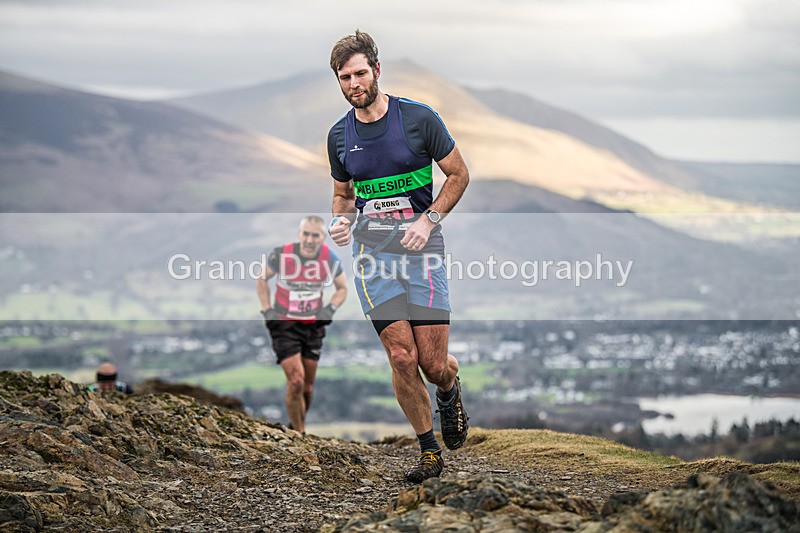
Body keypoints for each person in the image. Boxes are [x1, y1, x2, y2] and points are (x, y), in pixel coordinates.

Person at [327, 30, 470, 483]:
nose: (354, 83)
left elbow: (459, 175)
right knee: (402, 358)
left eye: (360, 73)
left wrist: (428, 220)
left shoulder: (418, 119)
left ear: (377, 70)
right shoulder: (338, 137)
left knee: (432, 364)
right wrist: (341, 221)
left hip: (423, 255)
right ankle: (429, 450)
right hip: (374, 260)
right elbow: (342, 194)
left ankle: (449, 389)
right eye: (344, 77)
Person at [256, 215, 348, 434]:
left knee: (307, 387)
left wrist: (330, 309)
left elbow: (342, 288)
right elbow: (261, 279)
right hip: (284, 325)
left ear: (323, 238)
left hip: (313, 326)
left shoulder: (329, 257)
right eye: (305, 234)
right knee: (296, 381)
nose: (309, 239)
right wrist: (267, 309)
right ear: (299, 235)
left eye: (314, 235)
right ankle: (300, 433)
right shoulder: (282, 253)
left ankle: (296, 425)